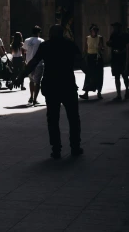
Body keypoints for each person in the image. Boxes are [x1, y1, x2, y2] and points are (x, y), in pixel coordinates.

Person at [23, 25, 83, 159]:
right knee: (73, 118)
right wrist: (90, 74)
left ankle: (56, 149)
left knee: (53, 119)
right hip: (68, 85)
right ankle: (75, 147)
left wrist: (21, 75)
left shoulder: (46, 46)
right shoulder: (69, 44)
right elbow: (80, 61)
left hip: (51, 86)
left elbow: (34, 62)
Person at [80, 24, 105, 100]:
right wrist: (83, 58)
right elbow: (85, 48)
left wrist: (101, 48)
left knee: (99, 75)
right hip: (89, 57)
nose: (95, 32)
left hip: (97, 57)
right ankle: (86, 93)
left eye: (96, 30)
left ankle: (99, 92)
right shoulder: (87, 38)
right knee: (88, 74)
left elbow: (102, 48)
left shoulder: (100, 38)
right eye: (94, 30)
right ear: (91, 31)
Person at [107, 22, 129, 101]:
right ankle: (118, 94)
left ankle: (127, 90)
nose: (114, 29)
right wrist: (109, 43)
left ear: (119, 28)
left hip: (122, 58)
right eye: (114, 27)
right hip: (115, 58)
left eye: (115, 27)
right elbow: (110, 43)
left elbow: (127, 47)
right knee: (116, 76)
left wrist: (121, 52)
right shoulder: (113, 35)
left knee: (124, 75)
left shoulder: (125, 35)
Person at [24, 26, 45, 105]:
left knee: (31, 81)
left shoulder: (27, 40)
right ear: (38, 32)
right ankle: (35, 99)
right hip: (39, 64)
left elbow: (24, 50)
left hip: (29, 63)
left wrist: (25, 60)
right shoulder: (41, 41)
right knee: (37, 81)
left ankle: (31, 97)